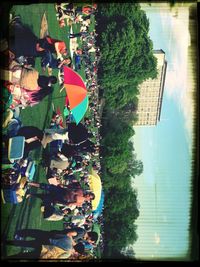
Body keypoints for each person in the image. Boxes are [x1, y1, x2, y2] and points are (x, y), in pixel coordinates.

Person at [5, 229, 85, 259]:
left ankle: (7, 242)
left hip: (47, 240)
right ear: (77, 251)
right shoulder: (67, 251)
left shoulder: (68, 239)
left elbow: (57, 235)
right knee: (26, 254)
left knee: (26, 243)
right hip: (46, 248)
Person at [26, 182, 95, 207]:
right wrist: (63, 185)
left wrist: (59, 202)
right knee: (47, 186)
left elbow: (69, 204)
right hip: (62, 190)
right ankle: (30, 183)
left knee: (45, 197)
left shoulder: (80, 202)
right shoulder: (81, 190)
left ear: (89, 199)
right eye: (89, 194)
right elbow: (71, 187)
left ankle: (30, 194)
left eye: (89, 196)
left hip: (62, 198)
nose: (88, 195)